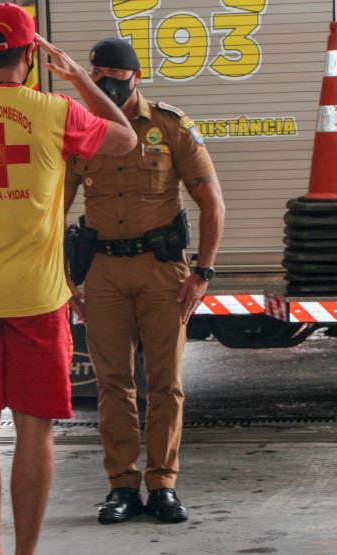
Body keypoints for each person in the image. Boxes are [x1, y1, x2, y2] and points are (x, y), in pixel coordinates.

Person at [0, 5, 136, 553]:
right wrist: (80, 78)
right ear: (30, 54)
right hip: (37, 299)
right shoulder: (56, 112)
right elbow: (126, 138)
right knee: (35, 428)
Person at [64, 37, 226, 524]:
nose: (106, 83)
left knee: (165, 384)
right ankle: (121, 486)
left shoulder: (169, 126)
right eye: (97, 75)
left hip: (162, 273)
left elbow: (212, 201)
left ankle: (162, 486)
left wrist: (202, 273)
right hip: (103, 273)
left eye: (116, 75)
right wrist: (64, 279)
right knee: (112, 384)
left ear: (136, 77)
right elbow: (52, 209)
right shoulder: (81, 129)